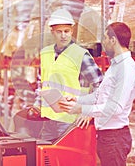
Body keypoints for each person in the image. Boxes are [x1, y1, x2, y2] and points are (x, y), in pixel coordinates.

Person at [59, 22, 135, 166]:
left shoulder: (126, 69)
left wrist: (82, 109)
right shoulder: (115, 66)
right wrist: (77, 99)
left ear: (113, 40)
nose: (103, 42)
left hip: (114, 137)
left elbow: (115, 108)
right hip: (106, 137)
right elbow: (100, 96)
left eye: (105, 38)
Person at [38, 8, 103, 141]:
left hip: (70, 120)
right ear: (52, 32)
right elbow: (42, 82)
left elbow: (100, 84)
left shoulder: (80, 54)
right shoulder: (45, 53)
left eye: (66, 31)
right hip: (48, 118)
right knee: (46, 158)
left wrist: (89, 111)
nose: (63, 35)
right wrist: (36, 106)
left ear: (72, 31)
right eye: (59, 32)